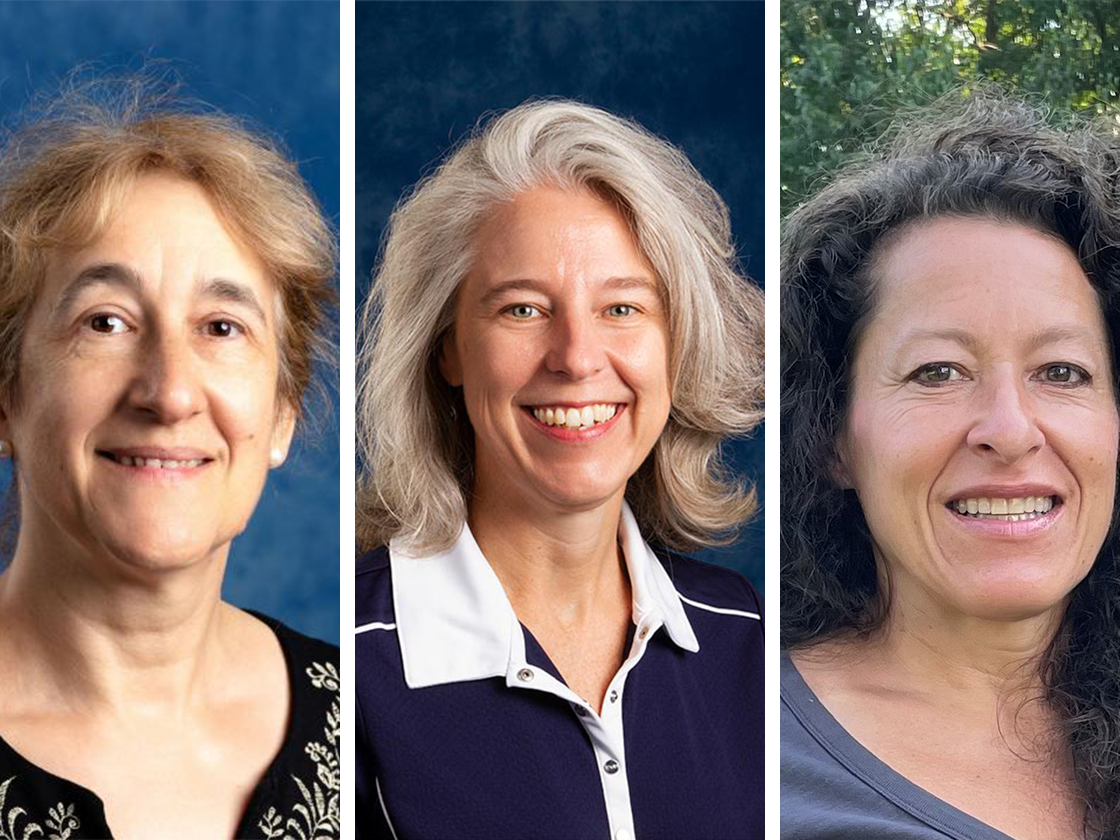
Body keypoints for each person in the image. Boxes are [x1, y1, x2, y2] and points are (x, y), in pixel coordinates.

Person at [355, 99, 765, 840]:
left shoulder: (752, 642)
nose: (576, 357)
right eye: (521, 310)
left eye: (622, 309)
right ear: (446, 348)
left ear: (676, 342)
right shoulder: (348, 663)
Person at [0, 77, 339, 840]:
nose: (170, 392)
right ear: (7, 396)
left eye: (221, 327)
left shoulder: (370, 728)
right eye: (106, 321)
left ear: (282, 412)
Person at [781, 90, 1120, 840]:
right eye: (938, 372)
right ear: (833, 436)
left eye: (1061, 372)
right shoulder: (739, 756)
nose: (1009, 429)